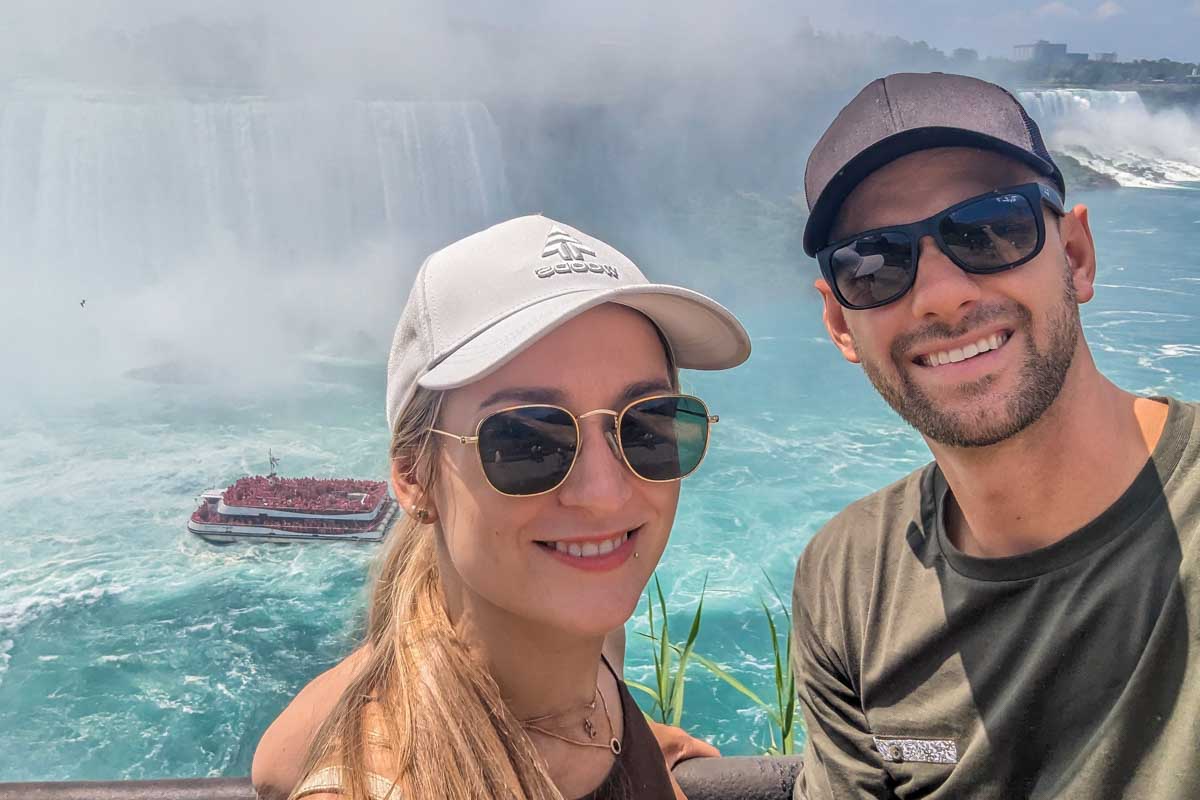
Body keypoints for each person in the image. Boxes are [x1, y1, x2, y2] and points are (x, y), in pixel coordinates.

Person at [792, 72, 1200, 799]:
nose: (942, 294)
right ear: (839, 324)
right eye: (874, 262)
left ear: (1075, 256)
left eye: (989, 228)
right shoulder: (848, 580)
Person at [252, 215, 749, 800]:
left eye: (646, 425)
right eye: (525, 442)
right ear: (413, 477)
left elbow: (272, 762)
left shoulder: (593, 645)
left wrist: (637, 746)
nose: (604, 494)